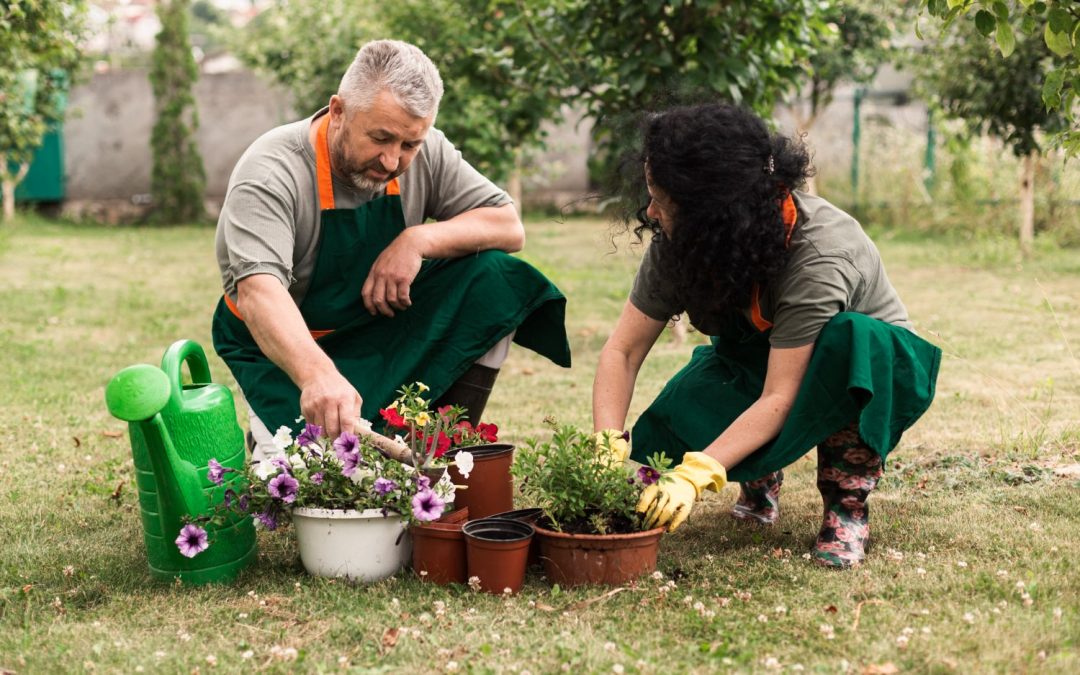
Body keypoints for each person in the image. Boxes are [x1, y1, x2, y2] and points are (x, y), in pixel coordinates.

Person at [592, 103, 941, 568]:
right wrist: (604, 441)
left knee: (852, 338)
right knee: (664, 438)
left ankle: (847, 507)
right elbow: (623, 349)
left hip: (867, 372)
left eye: (662, 199)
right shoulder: (685, 239)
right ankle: (760, 478)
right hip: (766, 360)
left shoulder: (821, 254)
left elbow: (780, 395)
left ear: (713, 214)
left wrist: (699, 473)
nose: (651, 210)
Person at [212, 40, 570, 458]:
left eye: (409, 145)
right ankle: (270, 438)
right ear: (339, 111)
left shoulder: (423, 148)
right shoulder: (271, 171)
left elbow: (508, 225)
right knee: (304, 485)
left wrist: (417, 240)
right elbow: (259, 293)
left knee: (495, 278)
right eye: (380, 138)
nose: (391, 160)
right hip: (284, 354)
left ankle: (439, 455)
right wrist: (317, 376)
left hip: (374, 330)